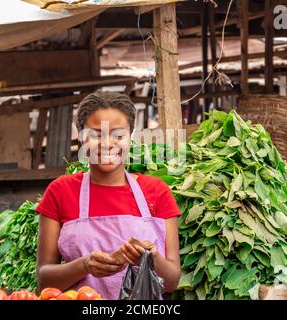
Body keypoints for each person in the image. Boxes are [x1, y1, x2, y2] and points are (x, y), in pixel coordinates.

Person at [36, 91, 181, 300]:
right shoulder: (60, 191)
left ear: (130, 137)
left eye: (118, 135)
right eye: (96, 135)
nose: (108, 143)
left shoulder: (157, 192)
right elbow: (44, 281)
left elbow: (172, 282)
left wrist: (151, 258)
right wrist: (84, 265)